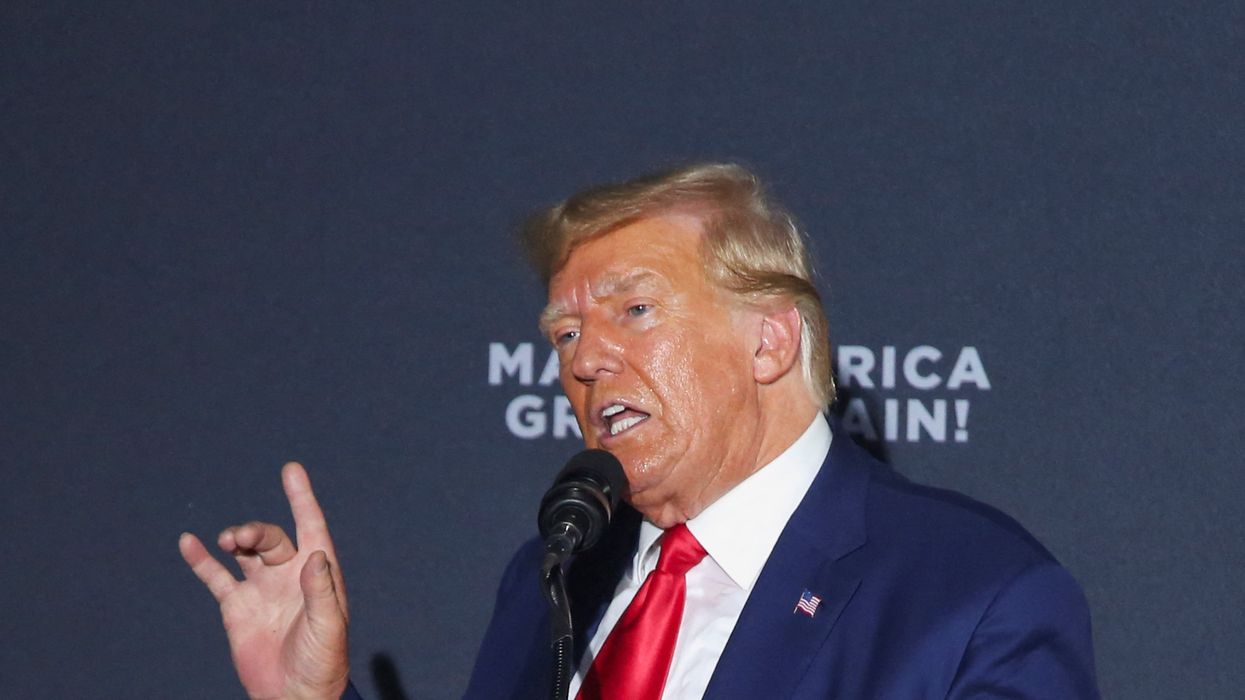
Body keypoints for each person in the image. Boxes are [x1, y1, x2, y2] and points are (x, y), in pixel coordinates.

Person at [181, 163, 1099, 699]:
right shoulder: (548, 580)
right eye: (566, 333)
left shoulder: (974, 593)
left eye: (635, 310)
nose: (586, 360)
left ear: (768, 340)